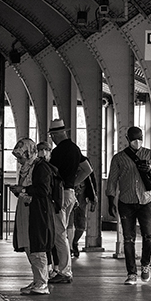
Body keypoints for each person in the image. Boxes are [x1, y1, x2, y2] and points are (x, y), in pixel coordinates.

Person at [105, 126, 151, 285]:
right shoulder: (119, 158)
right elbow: (112, 180)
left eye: (139, 138)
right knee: (128, 238)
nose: (137, 142)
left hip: (146, 201)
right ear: (127, 139)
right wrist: (111, 201)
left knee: (149, 236)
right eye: (133, 139)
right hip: (126, 202)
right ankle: (131, 273)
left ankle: (145, 264)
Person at [10, 138, 57, 295]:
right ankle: (37, 279)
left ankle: (42, 282)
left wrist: (22, 189)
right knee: (30, 247)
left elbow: (43, 190)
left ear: (29, 153)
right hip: (28, 211)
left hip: (38, 212)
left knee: (38, 247)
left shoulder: (41, 168)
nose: (19, 161)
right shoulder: (27, 168)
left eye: (21, 157)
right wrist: (21, 190)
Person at [46, 119, 82, 284]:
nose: (52, 139)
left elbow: (51, 173)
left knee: (59, 234)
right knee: (63, 231)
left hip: (60, 195)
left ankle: (64, 271)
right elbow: (87, 169)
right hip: (70, 193)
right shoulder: (75, 149)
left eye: (52, 135)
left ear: (57, 134)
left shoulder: (58, 151)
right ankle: (64, 269)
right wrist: (72, 184)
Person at [71, 156, 97, 259]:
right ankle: (69, 245)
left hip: (81, 197)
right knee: (68, 223)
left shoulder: (84, 163)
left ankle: (74, 242)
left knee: (81, 224)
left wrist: (93, 197)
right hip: (69, 195)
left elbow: (91, 181)